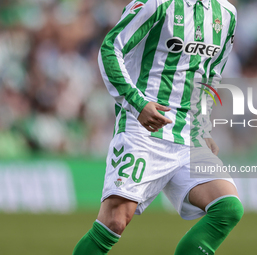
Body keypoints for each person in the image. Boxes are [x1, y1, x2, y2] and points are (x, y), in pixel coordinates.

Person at [73, 0, 243, 254]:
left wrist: (203, 125)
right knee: (115, 221)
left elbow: (210, 74)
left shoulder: (227, 14)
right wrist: (137, 103)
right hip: (142, 130)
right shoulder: (155, 4)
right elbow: (110, 49)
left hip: (187, 133)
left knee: (227, 207)